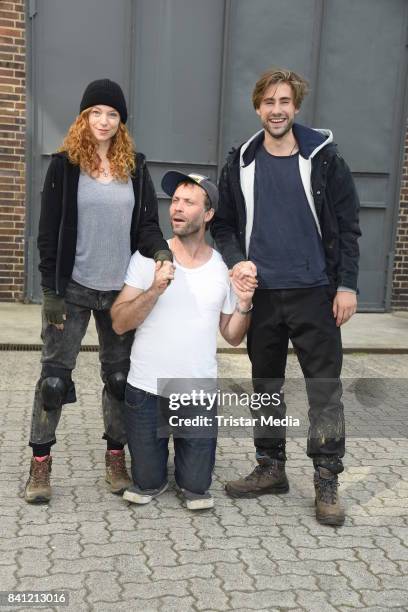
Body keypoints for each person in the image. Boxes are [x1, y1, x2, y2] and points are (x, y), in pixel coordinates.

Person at [211, 67, 361, 525]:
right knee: (266, 387)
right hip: (265, 295)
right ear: (258, 107)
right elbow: (223, 225)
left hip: (316, 292)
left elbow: (348, 225)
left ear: (295, 107)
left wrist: (347, 285)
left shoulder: (325, 158)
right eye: (268, 102)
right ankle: (271, 467)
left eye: (284, 102)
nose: (276, 110)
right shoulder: (240, 160)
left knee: (324, 392)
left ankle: (327, 478)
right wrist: (237, 261)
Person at [24, 78, 172, 503]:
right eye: (95, 113)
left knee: (120, 379)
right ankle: (39, 466)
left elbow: (145, 225)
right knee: (54, 380)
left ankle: (115, 458)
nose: (103, 121)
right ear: (83, 117)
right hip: (71, 290)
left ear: (120, 121)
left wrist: (161, 250)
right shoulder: (65, 165)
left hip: (119, 293)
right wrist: (50, 289)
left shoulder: (135, 167)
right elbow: (48, 232)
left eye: (112, 114)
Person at [111, 172, 254, 510]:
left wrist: (245, 305)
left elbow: (232, 336)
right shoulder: (148, 259)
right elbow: (119, 322)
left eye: (188, 202)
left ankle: (190, 474)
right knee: (147, 482)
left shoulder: (223, 269)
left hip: (197, 392)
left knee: (196, 489)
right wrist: (155, 289)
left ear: (208, 214)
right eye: (174, 200)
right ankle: (154, 473)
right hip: (146, 389)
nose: (177, 208)